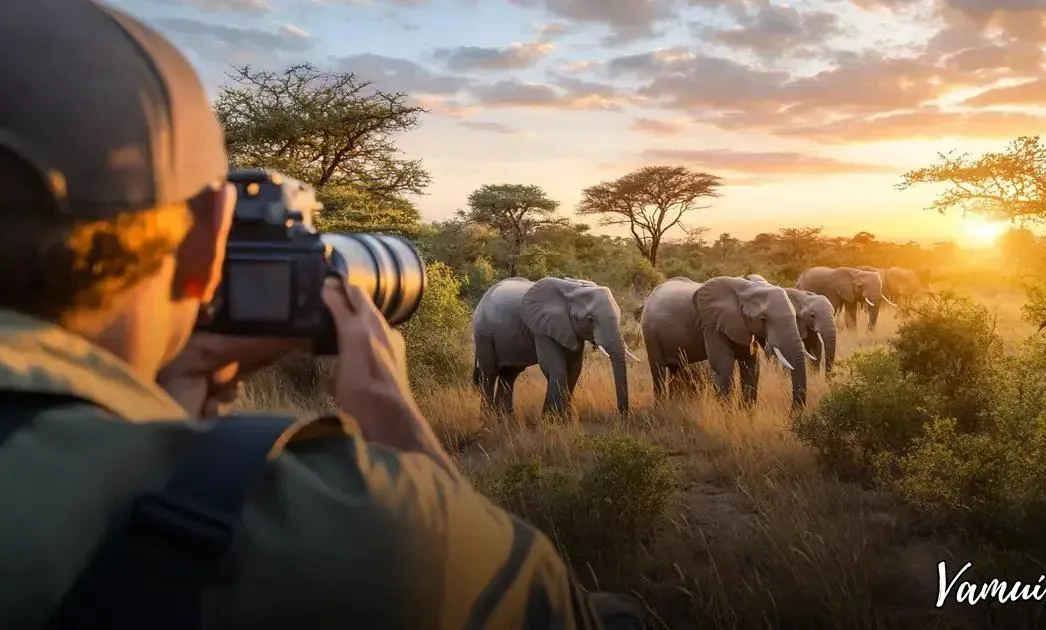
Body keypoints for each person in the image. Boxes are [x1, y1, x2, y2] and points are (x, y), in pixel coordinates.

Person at [0, 1, 648, 628]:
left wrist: (153, 417)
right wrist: (406, 443)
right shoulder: (332, 535)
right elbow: (557, 612)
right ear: (206, 244)